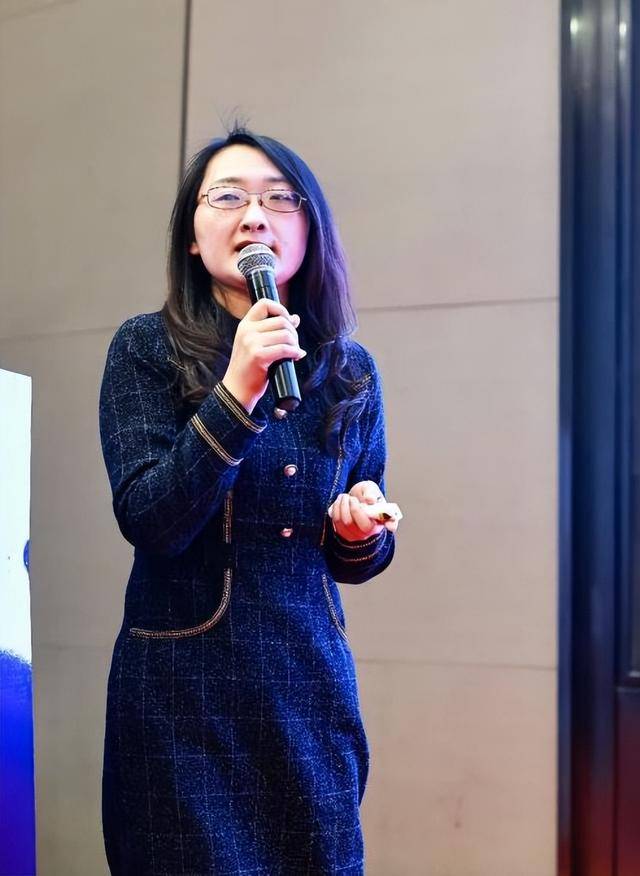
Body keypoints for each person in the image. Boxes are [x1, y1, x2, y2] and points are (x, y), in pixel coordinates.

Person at [99, 126, 400, 875]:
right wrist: (239, 390)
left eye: (279, 200)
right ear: (192, 236)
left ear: (309, 230)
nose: (255, 217)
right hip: (182, 698)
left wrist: (361, 529)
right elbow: (151, 520)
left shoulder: (350, 371)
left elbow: (360, 554)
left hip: (309, 688)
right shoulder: (146, 347)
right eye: (228, 198)